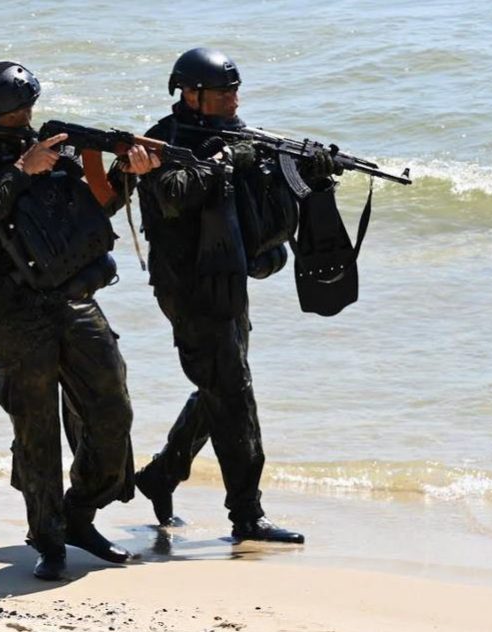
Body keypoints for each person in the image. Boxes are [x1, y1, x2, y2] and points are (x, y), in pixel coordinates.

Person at [0, 61, 160, 580]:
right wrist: (21, 171)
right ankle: (49, 537)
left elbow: (95, 208)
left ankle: (79, 512)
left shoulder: (54, 148)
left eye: (29, 109)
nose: (27, 119)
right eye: (17, 113)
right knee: (35, 430)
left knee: (112, 411)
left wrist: (129, 173)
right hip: (12, 310)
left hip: (73, 299)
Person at [132, 47, 341, 543]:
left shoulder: (233, 134)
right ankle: (246, 515)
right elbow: (174, 194)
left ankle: (162, 474)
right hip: (188, 288)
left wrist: (308, 172)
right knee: (233, 393)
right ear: (190, 94)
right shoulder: (158, 143)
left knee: (223, 385)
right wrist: (226, 161)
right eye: (223, 92)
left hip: (227, 279)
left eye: (235, 90)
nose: (234, 99)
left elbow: (262, 195)